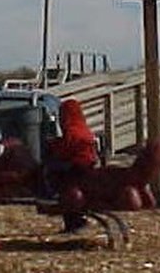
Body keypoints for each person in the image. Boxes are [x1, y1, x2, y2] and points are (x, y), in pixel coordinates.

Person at [44, 99, 98, 233]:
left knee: (52, 173)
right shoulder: (83, 129)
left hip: (76, 167)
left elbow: (64, 150)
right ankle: (72, 222)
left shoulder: (72, 130)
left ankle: (52, 197)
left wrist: (51, 147)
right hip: (86, 167)